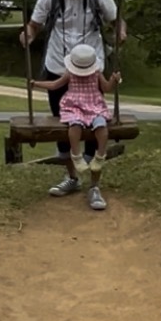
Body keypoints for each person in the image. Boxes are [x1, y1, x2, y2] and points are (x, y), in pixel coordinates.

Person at [20, 0, 127, 198]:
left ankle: (94, 183)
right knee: (65, 124)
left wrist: (120, 32)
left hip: (91, 65)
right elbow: (35, 24)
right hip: (59, 62)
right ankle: (71, 177)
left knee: (93, 124)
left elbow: (116, 19)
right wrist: (29, 34)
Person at [51, 44, 122, 211]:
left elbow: (105, 88)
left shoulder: (96, 73)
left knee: (101, 127)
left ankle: (100, 158)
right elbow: (55, 85)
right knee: (74, 126)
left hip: (94, 106)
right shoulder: (70, 74)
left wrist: (113, 79)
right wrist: (36, 84)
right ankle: (76, 158)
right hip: (75, 107)